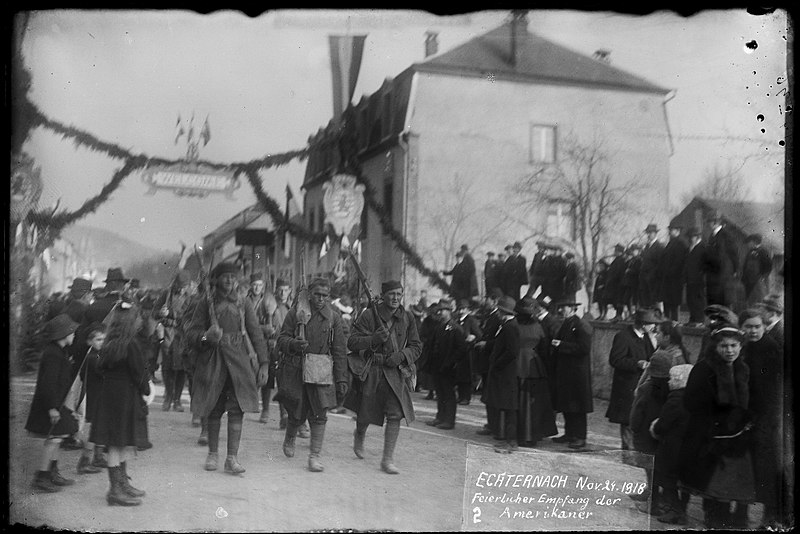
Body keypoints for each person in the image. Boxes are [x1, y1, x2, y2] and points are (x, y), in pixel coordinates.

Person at [185, 261, 271, 475]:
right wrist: (207, 336)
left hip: (239, 362)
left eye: (233, 277)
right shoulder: (206, 302)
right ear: (217, 279)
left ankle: (231, 459)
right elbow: (192, 333)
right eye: (225, 277)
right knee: (214, 408)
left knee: (236, 409)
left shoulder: (244, 303)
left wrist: (264, 363)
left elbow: (256, 334)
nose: (230, 281)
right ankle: (212, 454)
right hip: (213, 360)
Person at [678, 322, 755, 529]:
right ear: (716, 347)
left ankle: (734, 516)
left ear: (740, 347)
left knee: (735, 478)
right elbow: (690, 402)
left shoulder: (743, 368)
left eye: (733, 346)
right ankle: (714, 516)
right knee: (713, 480)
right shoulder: (705, 368)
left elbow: (749, 398)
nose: (729, 351)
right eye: (724, 346)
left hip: (737, 434)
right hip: (710, 433)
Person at [347, 280, 422, 474]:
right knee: (365, 412)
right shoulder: (369, 315)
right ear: (383, 295)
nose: (396, 298)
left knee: (395, 414)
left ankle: (387, 459)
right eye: (392, 294)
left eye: (399, 294)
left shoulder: (407, 318)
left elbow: (416, 346)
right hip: (373, 370)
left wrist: (402, 355)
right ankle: (360, 434)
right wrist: (372, 339)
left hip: (395, 372)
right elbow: (352, 342)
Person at [90, 296, 157, 506]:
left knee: (116, 443)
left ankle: (121, 485)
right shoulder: (131, 345)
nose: (139, 321)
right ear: (130, 322)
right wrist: (146, 389)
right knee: (119, 443)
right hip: (125, 399)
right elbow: (139, 374)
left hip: (110, 397)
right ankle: (115, 491)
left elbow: (100, 368)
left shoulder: (109, 344)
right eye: (136, 318)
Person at [276, 277, 347, 473]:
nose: (321, 299)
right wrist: (293, 344)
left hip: (321, 369)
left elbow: (340, 350)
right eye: (317, 294)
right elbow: (281, 339)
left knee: (320, 413)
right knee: (296, 410)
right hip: (297, 368)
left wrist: (341, 379)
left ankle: (314, 456)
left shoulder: (334, 318)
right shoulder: (296, 313)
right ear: (310, 294)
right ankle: (290, 436)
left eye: (325, 295)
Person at [25, 314, 81, 493]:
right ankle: (42, 476)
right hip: (50, 404)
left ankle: (52, 471)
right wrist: (52, 408)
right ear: (64, 334)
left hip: (57, 403)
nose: (74, 335)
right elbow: (47, 384)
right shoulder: (53, 354)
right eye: (72, 332)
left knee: (59, 436)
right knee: (53, 438)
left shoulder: (59, 351)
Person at [739, 308, 785, 528]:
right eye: (748, 326)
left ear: (764, 326)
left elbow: (771, 390)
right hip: (751, 415)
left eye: (757, 326)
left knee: (766, 467)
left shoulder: (770, 349)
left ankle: (770, 515)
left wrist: (760, 418)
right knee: (748, 467)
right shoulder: (745, 348)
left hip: (767, 417)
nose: (753, 330)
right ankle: (742, 513)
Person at [605, 308, 659, 451]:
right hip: (626, 386)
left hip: (640, 385)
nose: (654, 327)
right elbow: (615, 360)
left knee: (637, 417)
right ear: (642, 324)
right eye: (651, 324)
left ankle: (634, 450)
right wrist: (637, 363)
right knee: (627, 419)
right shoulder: (623, 336)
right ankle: (628, 453)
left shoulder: (645, 336)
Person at [629, 352, 672, 515]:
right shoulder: (671, 388)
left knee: (649, 467)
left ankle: (652, 504)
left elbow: (636, 412)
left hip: (645, 435)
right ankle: (657, 498)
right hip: (660, 434)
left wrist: (633, 427)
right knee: (658, 468)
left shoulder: (646, 388)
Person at [650, 363, 693, 525]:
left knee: (669, 479)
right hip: (688, 446)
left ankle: (676, 512)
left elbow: (663, 425)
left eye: (671, 379)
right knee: (683, 483)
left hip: (672, 447)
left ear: (677, 380)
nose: (668, 382)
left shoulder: (675, 399)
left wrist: (655, 428)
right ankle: (682, 509)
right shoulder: (694, 397)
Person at [549, 299, 593, 450]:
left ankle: (580, 437)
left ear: (573, 308)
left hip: (577, 374)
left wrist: (561, 345)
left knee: (578, 407)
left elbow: (584, 348)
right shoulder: (567, 323)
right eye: (561, 307)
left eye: (564, 307)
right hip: (567, 372)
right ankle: (569, 434)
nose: (561, 310)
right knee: (568, 405)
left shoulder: (581, 325)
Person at [514, 297, 557, 447]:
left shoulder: (514, 326)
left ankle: (520, 435)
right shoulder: (538, 327)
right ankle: (534, 435)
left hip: (518, 366)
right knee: (535, 403)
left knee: (520, 401)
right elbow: (545, 348)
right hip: (535, 366)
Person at [482, 295, 521, 453]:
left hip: (506, 374)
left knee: (509, 408)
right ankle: (508, 440)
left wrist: (497, 364)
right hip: (504, 373)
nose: (497, 312)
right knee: (506, 407)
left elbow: (511, 352)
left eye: (499, 310)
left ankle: (511, 442)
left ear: (503, 311)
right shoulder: (507, 324)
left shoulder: (510, 326)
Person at [423, 299, 466, 429]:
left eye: (443, 310)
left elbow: (461, 349)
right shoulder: (439, 327)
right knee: (440, 392)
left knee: (448, 394)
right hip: (438, 366)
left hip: (448, 367)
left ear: (449, 311)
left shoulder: (455, 328)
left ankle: (449, 420)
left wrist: (451, 363)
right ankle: (440, 417)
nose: (440, 313)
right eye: (439, 311)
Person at [154, 269, 193, 413]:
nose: (182, 289)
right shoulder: (166, 294)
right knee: (167, 367)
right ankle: (168, 397)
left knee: (181, 368)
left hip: (183, 335)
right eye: (180, 286)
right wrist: (160, 312)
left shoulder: (191, 297)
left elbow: (189, 316)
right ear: (175, 284)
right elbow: (154, 311)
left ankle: (177, 399)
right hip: (167, 334)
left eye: (185, 286)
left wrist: (171, 313)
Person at [246, 272, 278, 424]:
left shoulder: (268, 300)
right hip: (249, 342)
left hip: (265, 343)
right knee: (249, 372)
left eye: (259, 285)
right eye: (254, 285)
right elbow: (244, 323)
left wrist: (270, 330)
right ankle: (249, 402)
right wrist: (262, 328)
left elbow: (274, 325)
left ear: (263, 286)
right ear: (250, 286)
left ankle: (265, 409)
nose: (257, 288)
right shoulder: (245, 300)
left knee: (267, 376)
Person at [76, 322, 106, 475]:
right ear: (90, 342)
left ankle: (98, 456)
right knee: (93, 428)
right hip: (95, 397)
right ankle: (85, 461)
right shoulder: (93, 357)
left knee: (99, 426)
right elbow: (103, 373)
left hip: (99, 396)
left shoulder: (96, 355)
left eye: (103, 339)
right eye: (98, 340)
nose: (102, 342)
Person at [474, 288, 504, 437]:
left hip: (492, 360)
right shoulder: (491, 316)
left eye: (488, 299)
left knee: (491, 395)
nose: (485, 302)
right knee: (488, 394)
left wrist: (486, 344)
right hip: (487, 360)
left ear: (495, 301)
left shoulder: (498, 317)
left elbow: (499, 340)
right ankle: (491, 423)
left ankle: (494, 425)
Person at [635, 320, 689, 391]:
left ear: (666, 337)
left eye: (658, 333)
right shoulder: (660, 351)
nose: (655, 336)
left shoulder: (675, 358)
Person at [704, 211, 739, 308]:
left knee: (724, 303)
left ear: (716, 222)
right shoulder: (712, 236)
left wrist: (735, 270)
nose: (709, 224)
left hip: (723, 275)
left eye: (710, 222)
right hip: (714, 276)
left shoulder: (726, 235)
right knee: (715, 304)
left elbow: (734, 254)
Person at [455, 299, 482, 405]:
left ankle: (466, 397)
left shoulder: (471, 320)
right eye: (460, 309)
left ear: (467, 310)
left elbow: (479, 334)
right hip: (458, 351)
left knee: (466, 375)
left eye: (463, 309)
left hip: (468, 352)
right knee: (459, 375)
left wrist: (473, 337)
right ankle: (461, 396)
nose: (461, 311)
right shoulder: (457, 321)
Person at [661, 224, 689, 321]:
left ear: (678, 231)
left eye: (672, 230)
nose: (670, 232)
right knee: (667, 303)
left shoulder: (680, 244)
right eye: (670, 230)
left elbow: (679, 262)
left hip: (675, 279)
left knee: (674, 304)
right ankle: (667, 323)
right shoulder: (669, 244)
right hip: (667, 279)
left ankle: (674, 324)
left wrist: (669, 272)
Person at [683, 227, 708, 326]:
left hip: (698, 279)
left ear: (698, 237)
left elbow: (706, 264)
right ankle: (693, 318)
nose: (690, 239)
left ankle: (699, 320)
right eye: (689, 237)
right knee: (690, 299)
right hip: (690, 279)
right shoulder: (689, 248)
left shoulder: (703, 248)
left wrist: (701, 275)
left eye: (692, 237)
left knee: (698, 300)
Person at [741, 234, 773, 306]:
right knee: (747, 299)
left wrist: (762, 277)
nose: (748, 245)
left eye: (749, 242)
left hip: (757, 280)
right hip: (747, 280)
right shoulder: (750, 252)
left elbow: (769, 266)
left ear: (754, 242)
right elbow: (745, 266)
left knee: (757, 300)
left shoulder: (763, 252)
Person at [639, 224, 664, 309]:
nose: (649, 235)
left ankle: (655, 318)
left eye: (651, 232)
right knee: (645, 299)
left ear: (655, 233)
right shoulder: (646, 247)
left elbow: (660, 264)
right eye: (648, 233)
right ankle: (647, 319)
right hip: (644, 277)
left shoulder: (659, 247)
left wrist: (652, 274)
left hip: (653, 278)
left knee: (653, 299)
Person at [605, 244, 627, 320]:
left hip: (618, 284)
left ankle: (619, 315)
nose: (614, 252)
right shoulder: (617, 260)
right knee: (615, 300)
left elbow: (618, 272)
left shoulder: (621, 260)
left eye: (616, 251)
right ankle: (617, 315)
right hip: (615, 284)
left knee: (618, 300)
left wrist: (612, 278)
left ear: (619, 252)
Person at [622, 245, 642, 317]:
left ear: (638, 251)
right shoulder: (632, 260)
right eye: (632, 250)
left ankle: (636, 314)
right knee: (628, 299)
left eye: (634, 250)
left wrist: (630, 271)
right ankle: (631, 314)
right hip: (629, 283)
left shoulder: (639, 260)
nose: (633, 252)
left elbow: (638, 270)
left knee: (635, 299)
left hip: (635, 282)